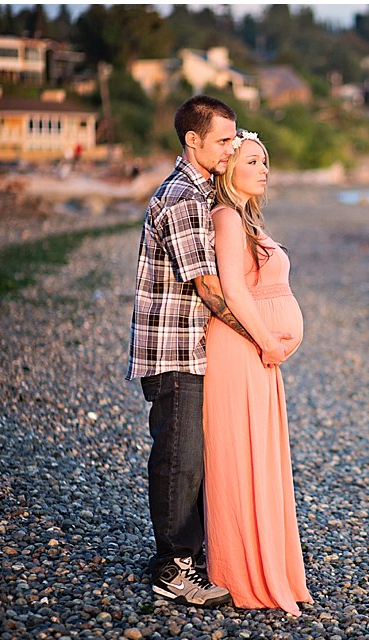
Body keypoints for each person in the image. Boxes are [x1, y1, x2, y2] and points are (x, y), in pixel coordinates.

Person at [126, 95, 286, 607]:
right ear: (192, 140)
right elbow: (211, 289)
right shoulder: (181, 198)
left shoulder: (199, 195)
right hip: (173, 352)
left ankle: (191, 560)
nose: (229, 148)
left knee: (191, 459)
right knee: (180, 461)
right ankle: (172, 569)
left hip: (193, 352)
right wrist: (262, 339)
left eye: (231, 138)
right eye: (221, 140)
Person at [203, 128, 312, 616]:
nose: (264, 168)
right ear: (227, 167)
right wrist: (267, 340)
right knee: (242, 457)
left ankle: (271, 568)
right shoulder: (226, 216)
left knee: (261, 455)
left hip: (257, 353)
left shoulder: (246, 218)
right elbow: (233, 290)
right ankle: (244, 574)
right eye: (252, 160)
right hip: (242, 349)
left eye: (265, 160)